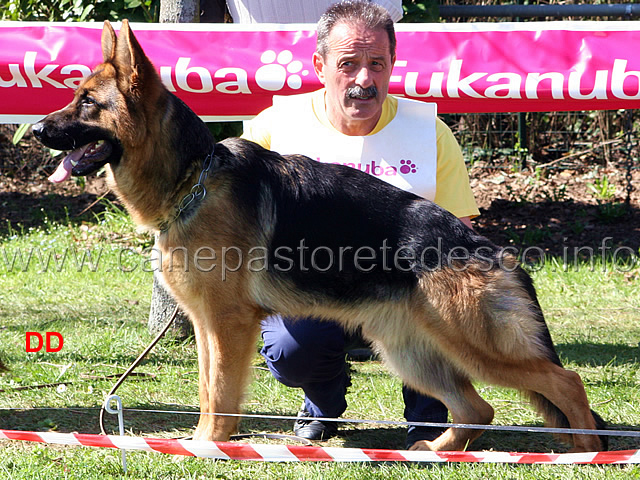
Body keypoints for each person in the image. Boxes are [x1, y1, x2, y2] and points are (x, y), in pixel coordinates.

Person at [242, 0, 479, 451]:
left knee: (441, 299)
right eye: (348, 65)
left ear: (393, 62)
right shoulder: (273, 128)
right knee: (294, 349)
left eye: (377, 64)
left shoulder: (430, 131)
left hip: (407, 292)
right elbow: (239, 225)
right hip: (311, 292)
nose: (363, 80)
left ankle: (429, 416)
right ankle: (322, 403)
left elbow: (460, 240)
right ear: (320, 64)